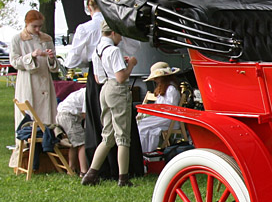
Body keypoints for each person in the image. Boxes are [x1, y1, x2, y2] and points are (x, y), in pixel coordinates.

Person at [82, 20, 139, 187]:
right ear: (113, 33)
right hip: (117, 89)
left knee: (107, 135)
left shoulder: (98, 50)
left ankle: (91, 173)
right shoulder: (114, 51)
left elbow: (98, 78)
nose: (121, 38)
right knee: (122, 136)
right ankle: (124, 178)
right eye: (120, 34)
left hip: (105, 88)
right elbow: (121, 77)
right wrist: (130, 65)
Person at [9, 10, 59, 128]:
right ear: (27, 23)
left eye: (40, 26)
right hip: (28, 81)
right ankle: (29, 141)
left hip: (45, 81)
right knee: (30, 113)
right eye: (34, 26)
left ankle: (47, 139)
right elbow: (14, 61)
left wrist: (51, 58)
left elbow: (54, 64)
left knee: (48, 114)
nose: (37, 29)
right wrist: (31, 56)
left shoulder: (47, 39)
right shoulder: (17, 39)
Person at [137, 62, 182, 153]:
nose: (155, 80)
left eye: (157, 78)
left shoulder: (171, 89)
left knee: (143, 125)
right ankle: (143, 150)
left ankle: (145, 151)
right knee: (141, 123)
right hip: (163, 116)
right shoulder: (164, 88)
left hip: (170, 118)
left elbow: (170, 109)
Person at [56, 88, 89, 176]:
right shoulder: (88, 93)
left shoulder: (82, 91)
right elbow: (85, 114)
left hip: (62, 114)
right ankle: (84, 171)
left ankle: (72, 169)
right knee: (82, 143)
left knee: (74, 143)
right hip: (68, 116)